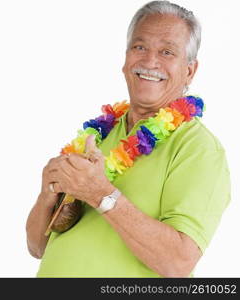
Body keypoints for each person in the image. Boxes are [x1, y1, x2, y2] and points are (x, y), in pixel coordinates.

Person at [26, 0, 231, 277]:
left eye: (167, 51)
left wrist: (100, 194)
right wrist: (47, 192)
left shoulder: (199, 148)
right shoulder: (97, 134)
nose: (149, 61)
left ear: (189, 71)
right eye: (140, 47)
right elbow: (36, 246)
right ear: (125, 59)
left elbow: (178, 263)